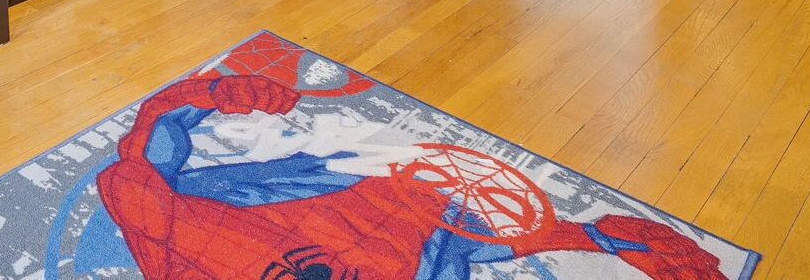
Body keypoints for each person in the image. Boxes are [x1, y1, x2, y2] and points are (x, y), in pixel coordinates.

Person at [96, 73, 730, 280]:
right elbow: (462, 246)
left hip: (327, 181)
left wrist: (216, 94)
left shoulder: (176, 243)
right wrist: (598, 238)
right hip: (413, 205)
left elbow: (140, 156)